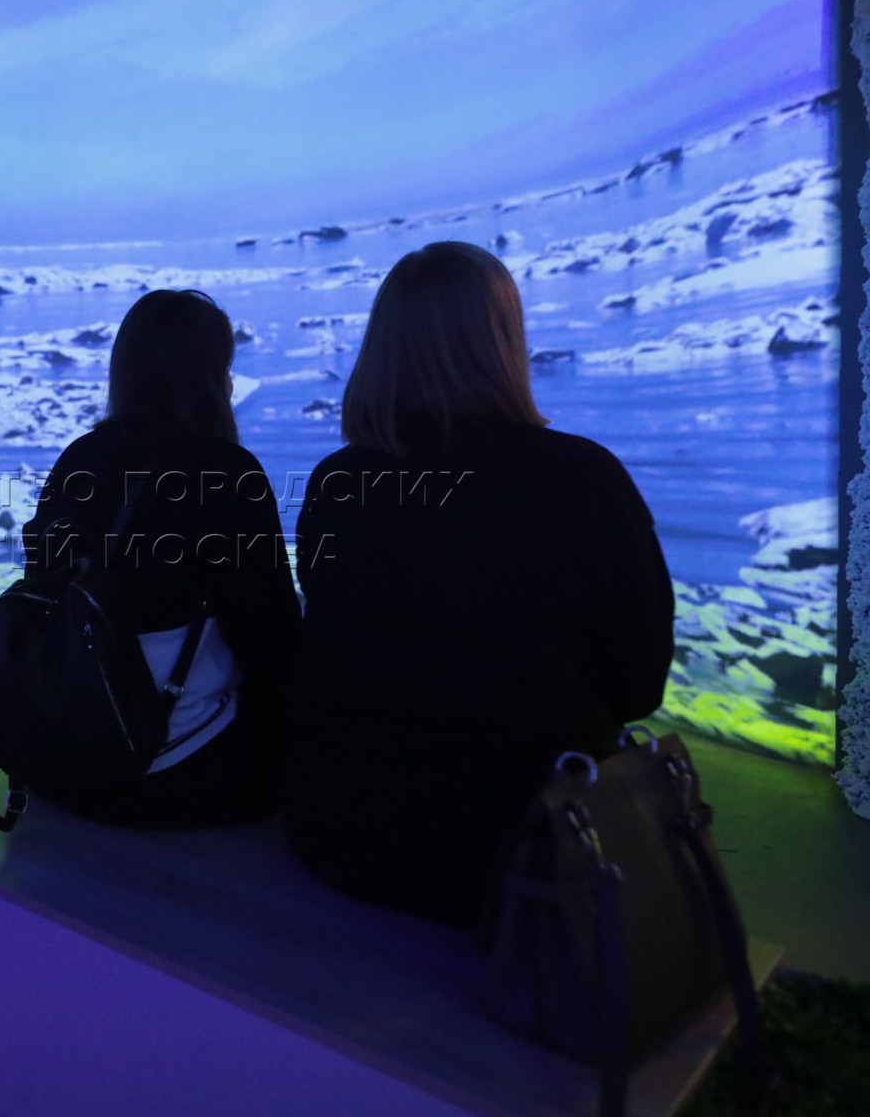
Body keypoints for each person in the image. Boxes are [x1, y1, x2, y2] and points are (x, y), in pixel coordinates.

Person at [282, 241, 675, 927]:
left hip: (341, 834)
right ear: (504, 339)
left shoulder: (339, 482)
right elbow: (638, 686)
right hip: (528, 853)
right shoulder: (584, 478)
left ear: (383, 346)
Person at [20, 288, 299, 828]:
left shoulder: (77, 458)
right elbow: (273, 645)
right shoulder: (226, 471)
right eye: (225, 366)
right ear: (210, 377)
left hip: (59, 762)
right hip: (170, 773)